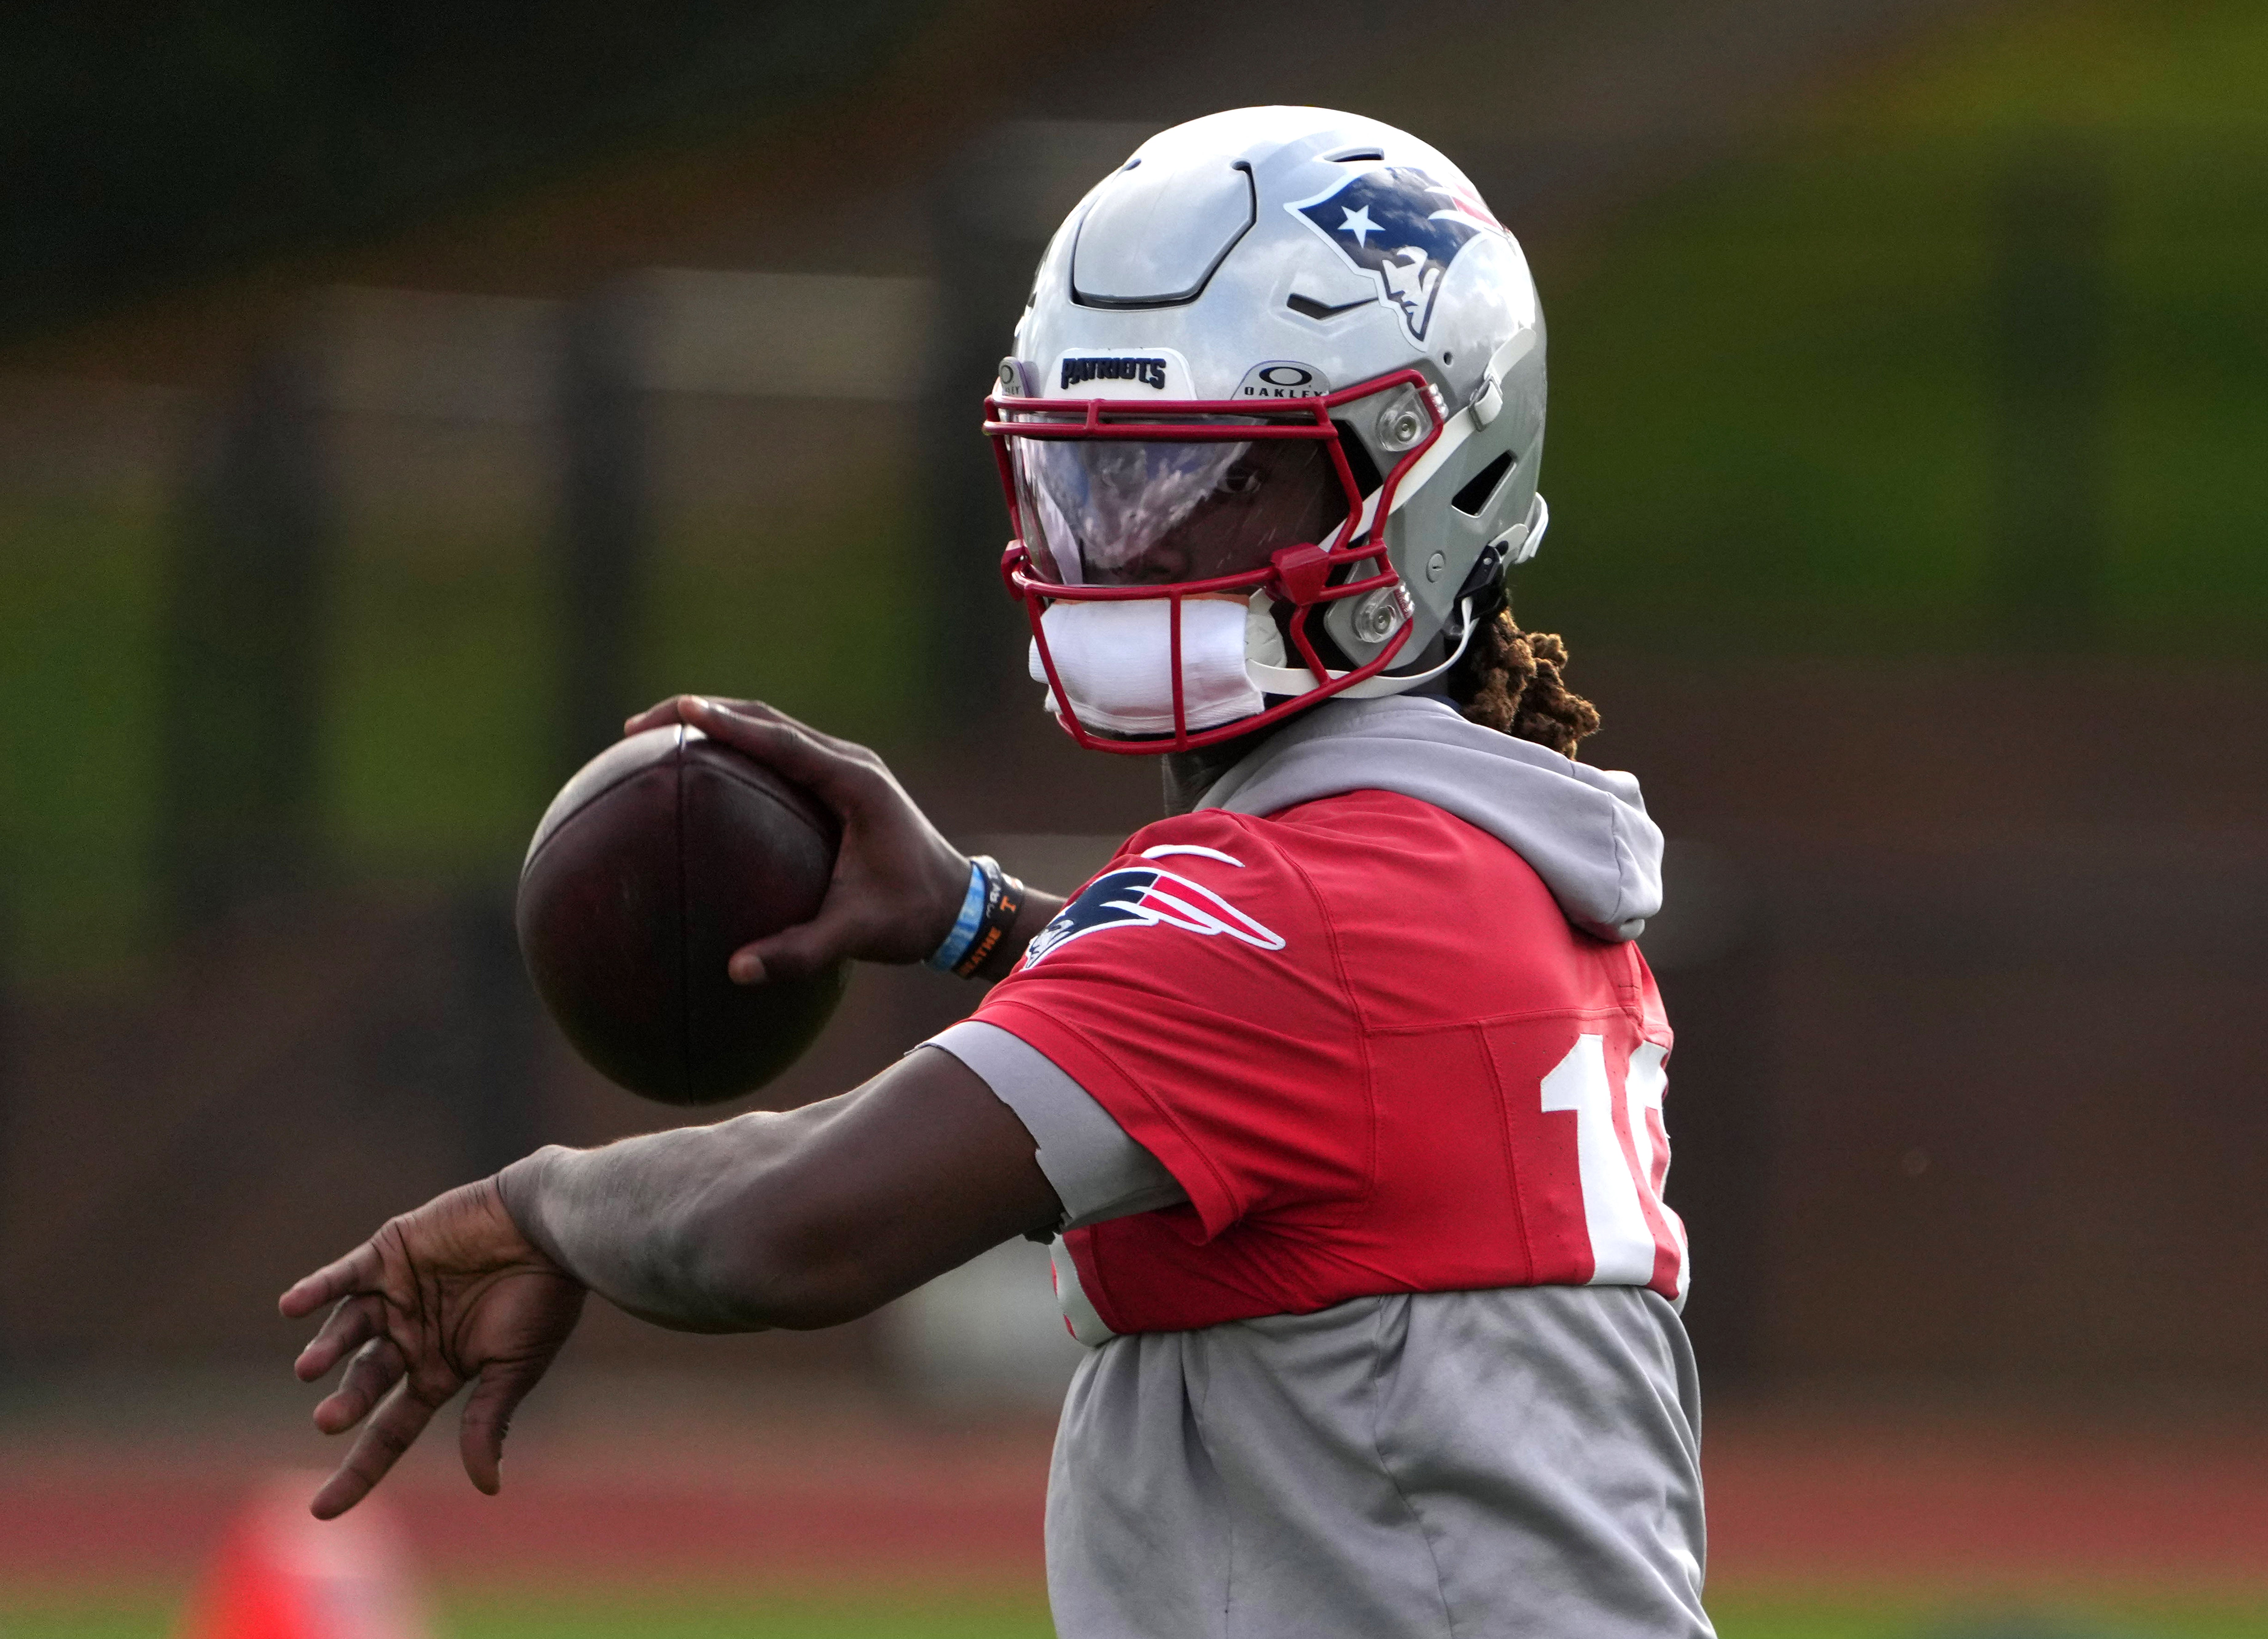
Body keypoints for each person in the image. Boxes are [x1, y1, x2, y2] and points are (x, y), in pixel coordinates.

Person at [281, 107, 1711, 1637]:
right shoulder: (1472, 862)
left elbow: (784, 1227)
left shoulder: (1297, 908)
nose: (1141, 548)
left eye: (1226, 480)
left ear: (1438, 480)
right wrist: (981, 920)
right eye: (1105, 481)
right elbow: (1270, 1058)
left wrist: (536, 1202)